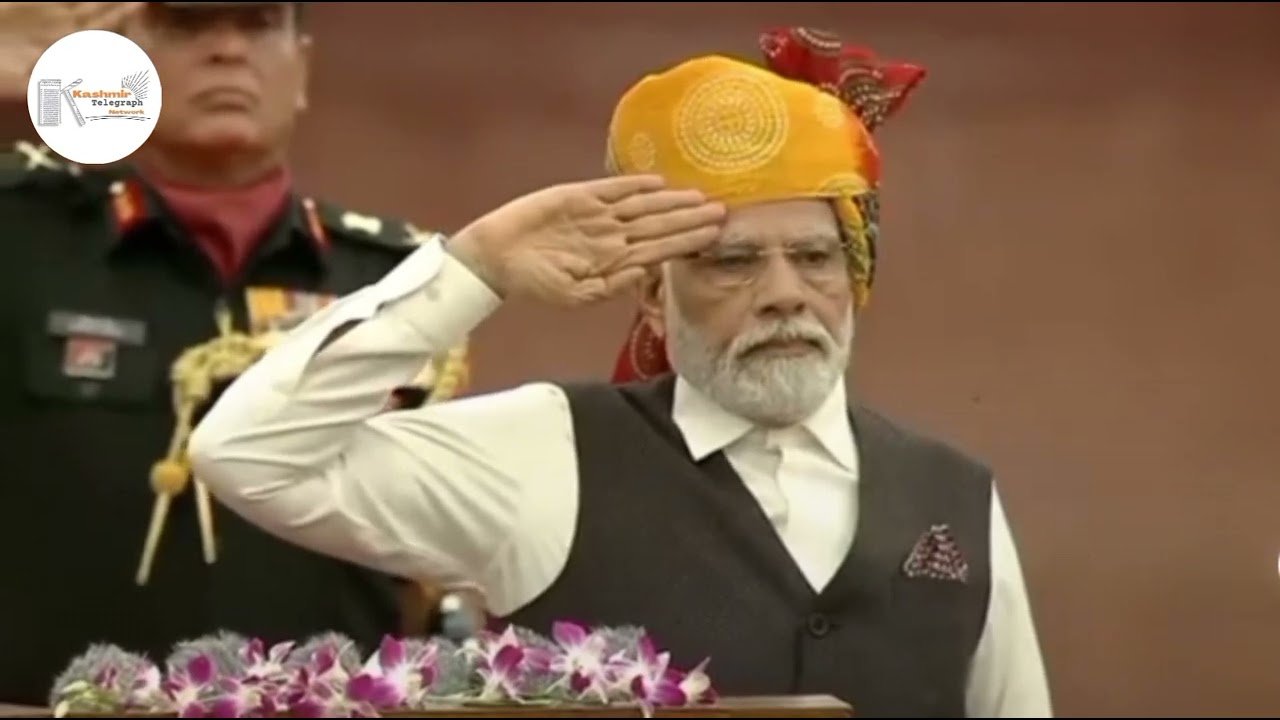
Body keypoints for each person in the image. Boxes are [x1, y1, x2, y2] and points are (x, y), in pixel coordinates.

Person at [188, 26, 1054, 718]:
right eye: (732, 262)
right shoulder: (546, 454)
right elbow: (247, 454)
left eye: (815, 257)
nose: (784, 294)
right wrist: (474, 270)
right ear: (653, 293)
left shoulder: (956, 497)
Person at [0, 1, 470, 705]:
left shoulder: (393, 281)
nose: (225, 50)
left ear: (302, 68)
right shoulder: (22, 235)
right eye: (186, 25)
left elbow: (437, 550)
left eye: (255, 25)